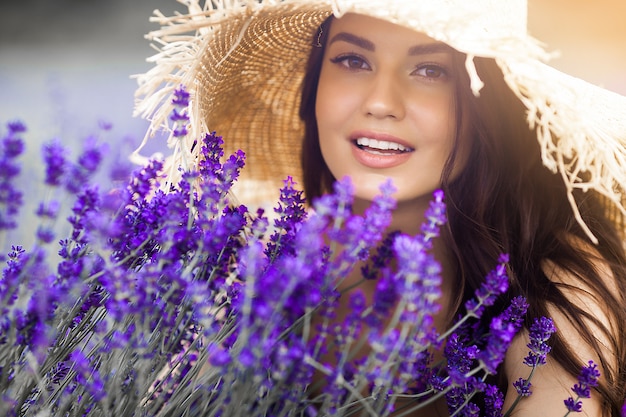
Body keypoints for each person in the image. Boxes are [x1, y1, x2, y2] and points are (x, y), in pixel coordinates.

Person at [134, 0, 626, 415]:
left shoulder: (554, 286)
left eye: (431, 70)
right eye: (353, 61)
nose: (381, 102)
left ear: (490, 107)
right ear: (314, 90)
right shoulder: (262, 273)